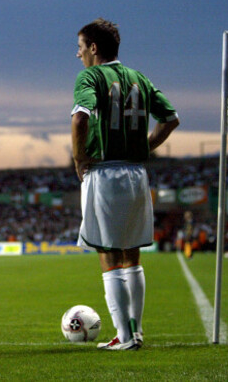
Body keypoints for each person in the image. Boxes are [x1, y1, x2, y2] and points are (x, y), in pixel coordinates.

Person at [71, 18, 179, 350]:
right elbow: (171, 119)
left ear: (93, 48)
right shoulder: (139, 78)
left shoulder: (90, 76)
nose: (78, 55)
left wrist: (78, 159)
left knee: (108, 254)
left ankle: (125, 335)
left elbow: (80, 118)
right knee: (132, 256)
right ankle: (136, 331)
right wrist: (144, 146)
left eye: (80, 47)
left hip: (104, 174)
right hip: (136, 174)